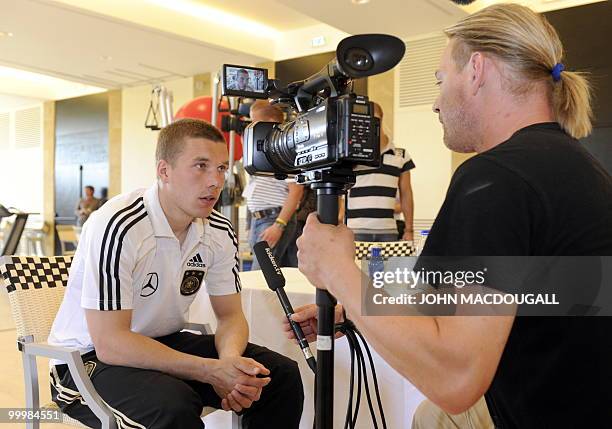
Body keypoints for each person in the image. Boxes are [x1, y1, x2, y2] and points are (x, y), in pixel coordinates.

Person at [287, 4, 612, 428]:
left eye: (441, 81)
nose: (437, 104)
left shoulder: (496, 177)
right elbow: (520, 295)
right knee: (430, 418)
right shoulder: (574, 165)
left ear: (476, 69)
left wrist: (336, 272)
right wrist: (360, 299)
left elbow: (455, 379)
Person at [49, 119, 303, 428]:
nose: (215, 181)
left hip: (162, 343)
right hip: (88, 360)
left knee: (276, 377)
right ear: (164, 171)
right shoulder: (118, 225)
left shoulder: (219, 229)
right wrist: (209, 371)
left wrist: (228, 362)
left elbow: (231, 316)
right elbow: (111, 342)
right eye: (200, 166)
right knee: (173, 406)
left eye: (222, 168)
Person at [244, 100, 303, 269]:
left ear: (269, 122)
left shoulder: (283, 151)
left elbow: (296, 191)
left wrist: (279, 225)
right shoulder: (263, 152)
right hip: (260, 219)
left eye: (254, 122)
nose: (251, 127)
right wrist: (250, 225)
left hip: (273, 219)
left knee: (262, 275)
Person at [344, 102, 415, 242]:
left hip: (387, 232)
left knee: (387, 265)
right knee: (355, 265)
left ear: (380, 119)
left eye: (372, 118)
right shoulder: (351, 154)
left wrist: (409, 230)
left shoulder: (400, 156)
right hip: (355, 231)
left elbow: (406, 194)